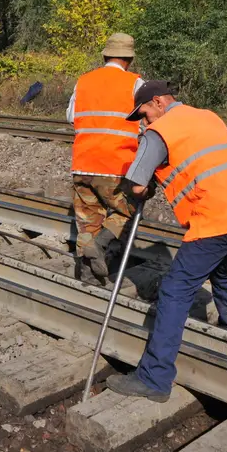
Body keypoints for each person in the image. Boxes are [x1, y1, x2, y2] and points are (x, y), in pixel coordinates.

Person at [105, 80, 227, 402]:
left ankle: (154, 378)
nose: (144, 121)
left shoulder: (160, 130)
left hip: (217, 217)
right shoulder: (207, 115)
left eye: (145, 113)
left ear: (159, 102)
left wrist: (141, 185)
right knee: (224, 270)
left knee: (175, 290)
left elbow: (136, 183)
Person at [67, 32, 145, 281]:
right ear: (129, 59)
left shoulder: (84, 81)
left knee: (87, 221)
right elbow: (146, 123)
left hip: (83, 163)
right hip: (116, 164)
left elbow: (71, 116)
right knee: (128, 209)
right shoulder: (135, 83)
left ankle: (88, 277)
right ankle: (101, 244)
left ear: (105, 55)